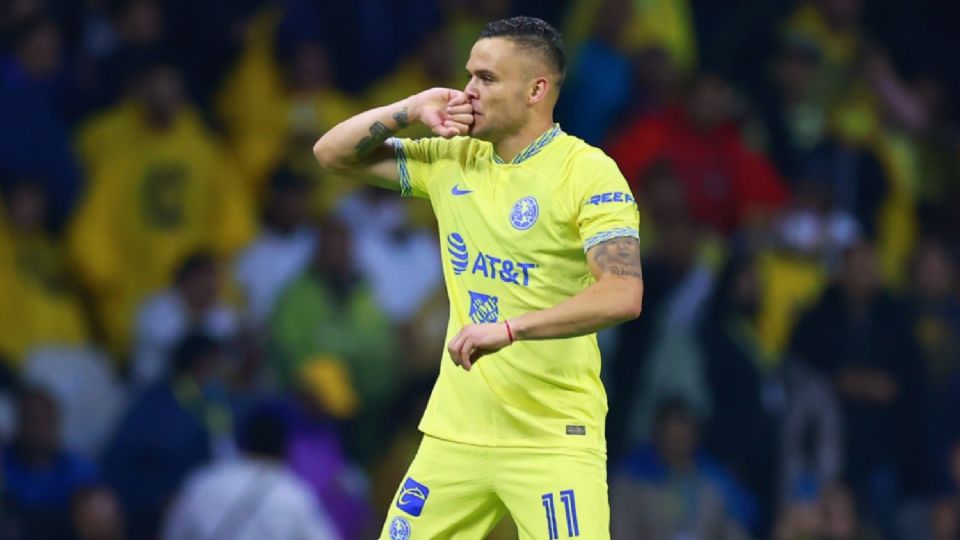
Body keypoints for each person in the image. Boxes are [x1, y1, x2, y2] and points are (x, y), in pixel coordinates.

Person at [313, 16, 643, 539]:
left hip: (551, 438)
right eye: (469, 75)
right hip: (455, 435)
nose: (468, 90)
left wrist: (511, 329)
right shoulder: (453, 157)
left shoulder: (587, 172)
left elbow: (623, 293)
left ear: (536, 90)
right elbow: (330, 154)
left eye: (486, 78)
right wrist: (412, 108)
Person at [163, 405, 342, 540]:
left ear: (241, 441)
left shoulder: (202, 482)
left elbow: (173, 533)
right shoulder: (294, 494)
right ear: (284, 449)